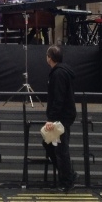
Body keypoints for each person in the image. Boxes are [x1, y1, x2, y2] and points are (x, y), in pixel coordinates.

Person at [43, 44, 78, 192]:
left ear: (50, 58)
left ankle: (67, 180)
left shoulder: (58, 74)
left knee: (60, 148)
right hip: (63, 115)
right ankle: (68, 175)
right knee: (49, 144)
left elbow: (58, 97)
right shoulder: (62, 72)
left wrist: (52, 118)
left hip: (61, 117)